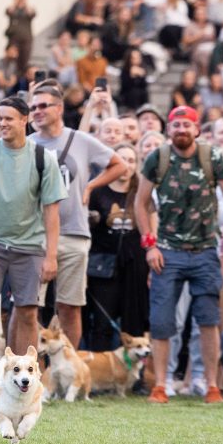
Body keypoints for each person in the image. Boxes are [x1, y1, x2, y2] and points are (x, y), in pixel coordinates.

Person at [0, 97, 66, 404]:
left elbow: (51, 212)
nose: (3, 124)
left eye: (9, 118)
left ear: (25, 120)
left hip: (30, 246)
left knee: (29, 312)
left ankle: (27, 383)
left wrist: (51, 255)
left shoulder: (43, 158)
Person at [135, 106, 223, 404]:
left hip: (205, 250)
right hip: (167, 252)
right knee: (161, 321)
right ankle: (161, 385)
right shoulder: (158, 158)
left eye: (187, 124)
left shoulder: (212, 157)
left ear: (197, 129)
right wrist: (150, 245)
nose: (181, 129)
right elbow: (140, 203)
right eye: (176, 124)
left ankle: (211, 385)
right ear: (169, 129)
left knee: (208, 319)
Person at [29, 84, 125, 347]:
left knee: (70, 306)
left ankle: (69, 372)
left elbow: (119, 165)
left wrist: (91, 186)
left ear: (59, 108)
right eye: (33, 107)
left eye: (43, 106)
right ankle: (34, 372)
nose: (36, 112)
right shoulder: (27, 144)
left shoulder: (81, 140)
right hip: (35, 235)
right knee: (29, 307)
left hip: (74, 233)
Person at [85, 143, 149, 350]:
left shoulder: (142, 193)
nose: (127, 165)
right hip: (103, 266)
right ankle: (100, 376)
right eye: (122, 160)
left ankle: (132, 378)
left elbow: (152, 232)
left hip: (135, 266)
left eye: (131, 160)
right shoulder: (97, 192)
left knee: (134, 324)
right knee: (102, 323)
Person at [4, 0, 35, 76]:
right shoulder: (13, 8)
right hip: (14, 39)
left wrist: (25, 1)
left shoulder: (28, 8)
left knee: (25, 61)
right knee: (13, 61)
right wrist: (16, 1)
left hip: (26, 39)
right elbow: (9, 11)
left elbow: (31, 13)